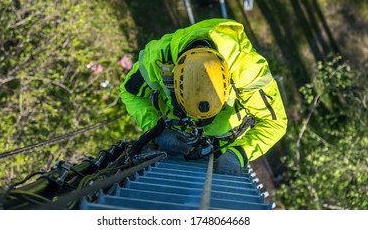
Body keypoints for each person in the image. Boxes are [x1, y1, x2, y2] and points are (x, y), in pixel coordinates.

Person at [119, 18, 287, 176]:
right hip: (175, 134)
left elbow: (275, 123)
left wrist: (239, 154)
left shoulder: (247, 71)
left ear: (228, 83)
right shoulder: (158, 59)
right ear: (174, 81)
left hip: (226, 140)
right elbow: (129, 93)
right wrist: (157, 130)